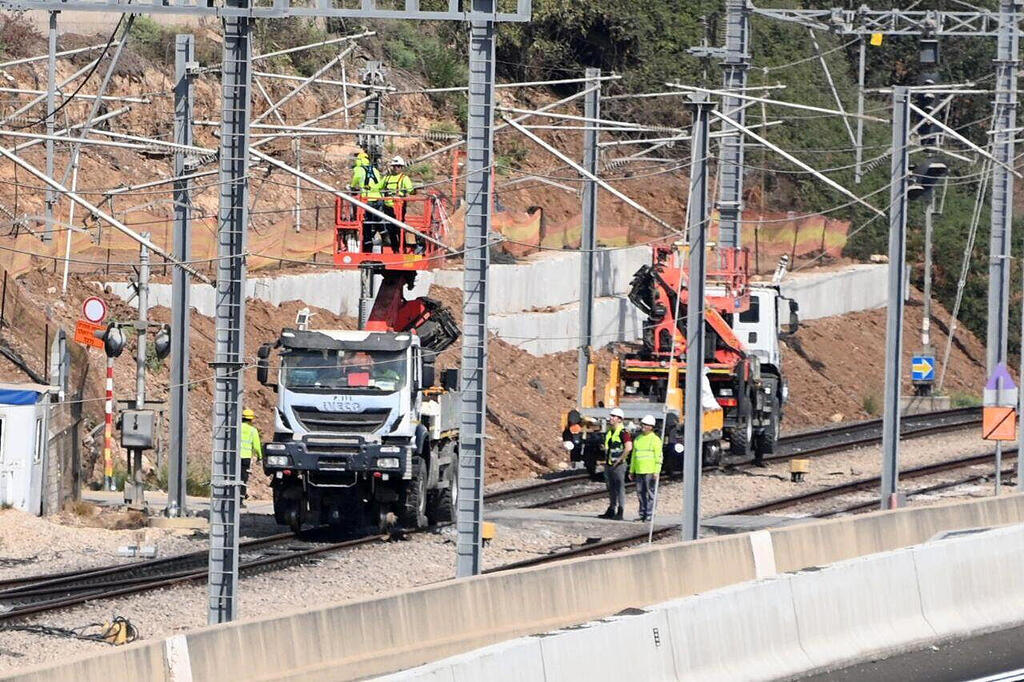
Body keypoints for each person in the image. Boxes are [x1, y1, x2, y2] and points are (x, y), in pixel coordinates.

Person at [599, 407, 631, 521]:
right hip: (609, 464)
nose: (611, 418)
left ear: (620, 419)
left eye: (614, 416)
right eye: (611, 416)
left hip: (618, 465)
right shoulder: (610, 432)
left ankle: (620, 510)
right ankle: (612, 508)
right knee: (611, 487)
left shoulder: (623, 432)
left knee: (619, 487)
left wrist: (620, 460)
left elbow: (628, 447)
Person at [630, 414, 663, 522]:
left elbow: (659, 457)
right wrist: (631, 470)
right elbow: (634, 456)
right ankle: (642, 513)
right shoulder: (638, 439)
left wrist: (656, 471)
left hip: (650, 471)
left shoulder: (655, 440)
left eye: (646, 425)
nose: (643, 426)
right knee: (640, 493)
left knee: (650, 493)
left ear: (651, 427)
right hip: (639, 470)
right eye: (643, 424)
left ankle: (649, 514)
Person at [380, 155, 415, 252]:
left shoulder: (404, 179)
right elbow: (377, 187)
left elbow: (410, 190)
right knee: (390, 229)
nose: (396, 168)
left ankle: (402, 247)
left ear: (401, 167)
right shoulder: (387, 178)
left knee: (399, 228)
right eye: (394, 166)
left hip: (399, 207)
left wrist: (414, 191)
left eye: (398, 166)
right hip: (387, 207)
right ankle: (395, 249)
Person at [240, 408, 262, 505]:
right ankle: (240, 500)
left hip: (235, 457)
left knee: (233, 477)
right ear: (251, 419)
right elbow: (257, 446)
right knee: (243, 478)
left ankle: (230, 498)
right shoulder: (253, 430)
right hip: (246, 458)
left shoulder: (236, 427)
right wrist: (260, 456)